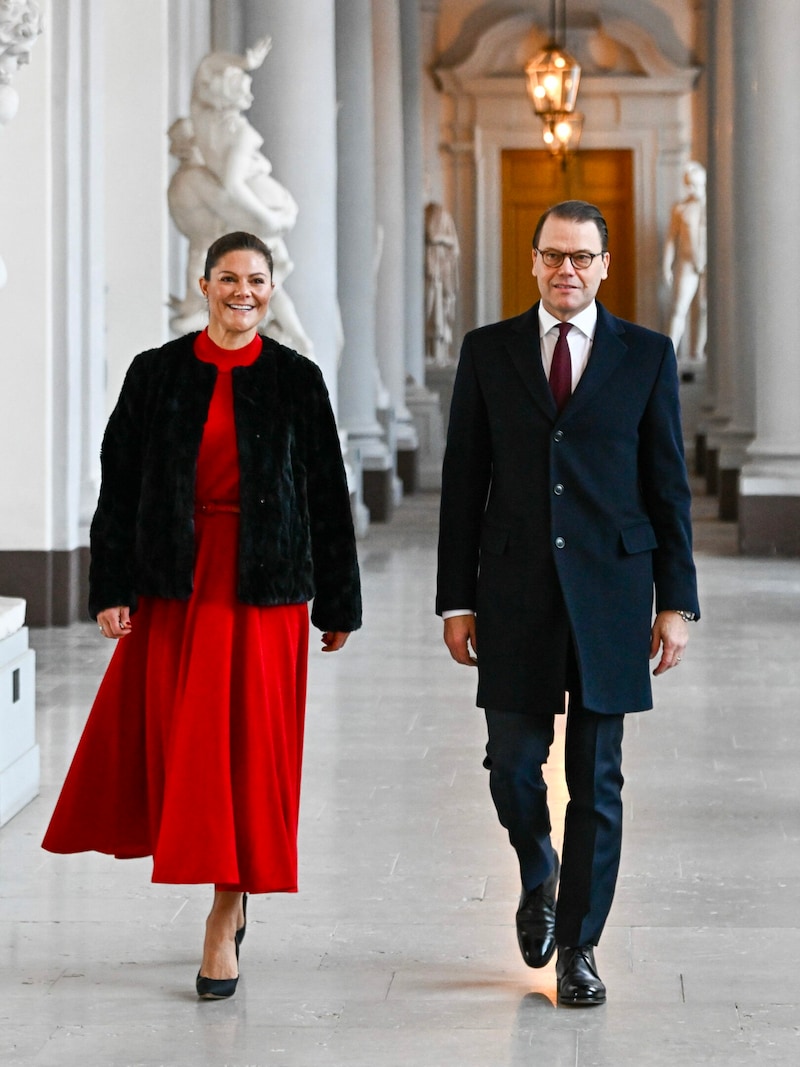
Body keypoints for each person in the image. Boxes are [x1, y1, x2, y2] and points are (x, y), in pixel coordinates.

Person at [43, 231, 362, 1002]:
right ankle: (225, 883)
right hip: (176, 583)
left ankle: (225, 909)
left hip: (266, 589)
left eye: (256, 278)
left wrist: (339, 597)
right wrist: (110, 585)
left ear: (271, 287)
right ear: (204, 282)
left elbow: (327, 490)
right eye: (228, 278)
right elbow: (116, 484)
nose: (242, 291)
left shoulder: (297, 379)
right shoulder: (156, 374)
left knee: (250, 752)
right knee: (187, 749)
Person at [436, 200, 699, 1007]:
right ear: (533, 261)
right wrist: (455, 600)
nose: (567, 270)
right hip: (512, 591)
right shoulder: (488, 352)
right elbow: (462, 482)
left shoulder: (647, 356)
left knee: (598, 778)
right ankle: (537, 865)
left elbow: (668, 485)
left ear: (605, 266)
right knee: (514, 765)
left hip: (614, 595)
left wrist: (674, 603)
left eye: (582, 257)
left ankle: (579, 947)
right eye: (554, 255)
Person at [663, 161, 707, 361]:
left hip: (707, 263)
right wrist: (666, 264)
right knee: (679, 308)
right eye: (688, 184)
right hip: (686, 262)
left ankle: (698, 352)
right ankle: (669, 353)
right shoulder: (680, 208)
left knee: (705, 308)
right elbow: (671, 239)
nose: (692, 188)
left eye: (695, 184)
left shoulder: (712, 207)